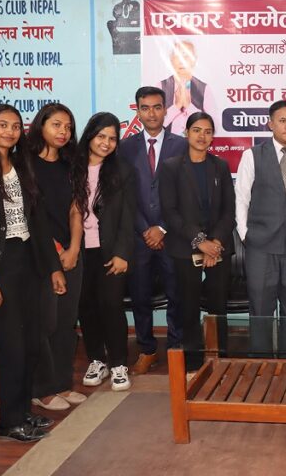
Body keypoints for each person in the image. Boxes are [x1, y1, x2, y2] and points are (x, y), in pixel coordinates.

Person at [0, 105, 66, 442]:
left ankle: (22, 412)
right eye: (2, 125)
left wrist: (53, 268)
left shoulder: (23, 165)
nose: (9, 131)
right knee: (12, 347)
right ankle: (9, 422)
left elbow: (38, 220)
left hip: (29, 261)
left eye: (16, 126)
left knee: (32, 343)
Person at [235, 100, 286, 354]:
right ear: (270, 124)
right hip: (261, 245)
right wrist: (246, 235)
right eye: (282, 120)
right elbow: (242, 197)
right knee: (260, 308)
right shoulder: (252, 155)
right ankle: (261, 360)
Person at [119, 86, 187, 375]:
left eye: (157, 107)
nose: (151, 113)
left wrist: (162, 228)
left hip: (172, 236)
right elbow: (124, 195)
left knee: (177, 295)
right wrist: (146, 228)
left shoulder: (181, 145)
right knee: (140, 296)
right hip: (139, 237)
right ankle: (147, 350)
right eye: (145, 108)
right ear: (138, 111)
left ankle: (175, 349)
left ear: (165, 109)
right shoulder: (125, 148)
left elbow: (186, 194)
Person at [159, 112, 235, 370]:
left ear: (213, 137)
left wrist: (215, 243)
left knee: (218, 308)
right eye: (197, 130)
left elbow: (229, 211)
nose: (202, 136)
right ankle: (192, 365)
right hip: (185, 248)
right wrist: (200, 241)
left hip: (219, 247)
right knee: (188, 308)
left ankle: (219, 359)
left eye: (208, 131)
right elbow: (170, 212)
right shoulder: (170, 167)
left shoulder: (221, 166)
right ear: (186, 133)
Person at [28, 104, 87, 411]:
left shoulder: (70, 164)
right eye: (57, 125)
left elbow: (77, 209)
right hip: (39, 255)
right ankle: (42, 389)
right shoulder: (24, 165)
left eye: (68, 127)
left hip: (70, 253)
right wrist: (57, 251)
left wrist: (74, 248)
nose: (63, 132)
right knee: (44, 324)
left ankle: (63, 383)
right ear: (41, 126)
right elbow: (29, 217)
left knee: (66, 322)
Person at [72, 112, 136, 392]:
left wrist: (123, 253)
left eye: (112, 138)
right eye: (101, 136)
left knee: (111, 305)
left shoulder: (123, 171)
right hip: (79, 250)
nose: (106, 143)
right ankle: (97, 359)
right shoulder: (71, 167)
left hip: (110, 251)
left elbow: (128, 217)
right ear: (89, 135)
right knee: (86, 306)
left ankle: (119, 363)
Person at [159, 40, 218, 136]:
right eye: (178, 56)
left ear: (194, 60)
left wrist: (189, 106)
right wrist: (177, 106)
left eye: (186, 56)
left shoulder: (204, 88)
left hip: (196, 143)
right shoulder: (161, 87)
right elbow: (154, 124)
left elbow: (213, 126)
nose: (182, 61)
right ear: (171, 59)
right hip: (167, 143)